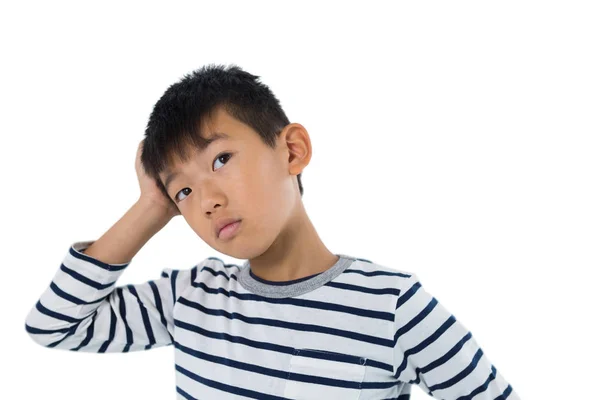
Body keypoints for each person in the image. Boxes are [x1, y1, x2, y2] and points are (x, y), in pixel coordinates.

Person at [24, 64, 520, 399]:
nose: (208, 201)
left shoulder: (391, 305)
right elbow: (54, 326)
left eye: (221, 159)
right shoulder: (191, 298)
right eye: (184, 193)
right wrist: (150, 206)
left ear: (292, 151)